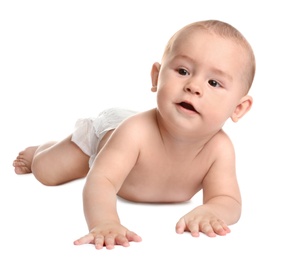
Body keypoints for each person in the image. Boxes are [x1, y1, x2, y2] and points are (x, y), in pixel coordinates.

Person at [13, 19, 255, 250]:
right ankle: (43, 149)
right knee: (47, 171)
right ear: (156, 77)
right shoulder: (135, 132)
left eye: (214, 83)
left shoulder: (219, 149)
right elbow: (101, 181)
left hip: (123, 146)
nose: (194, 86)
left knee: (99, 166)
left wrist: (212, 211)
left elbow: (228, 200)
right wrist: (105, 222)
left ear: (238, 108)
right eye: (183, 70)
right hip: (106, 136)